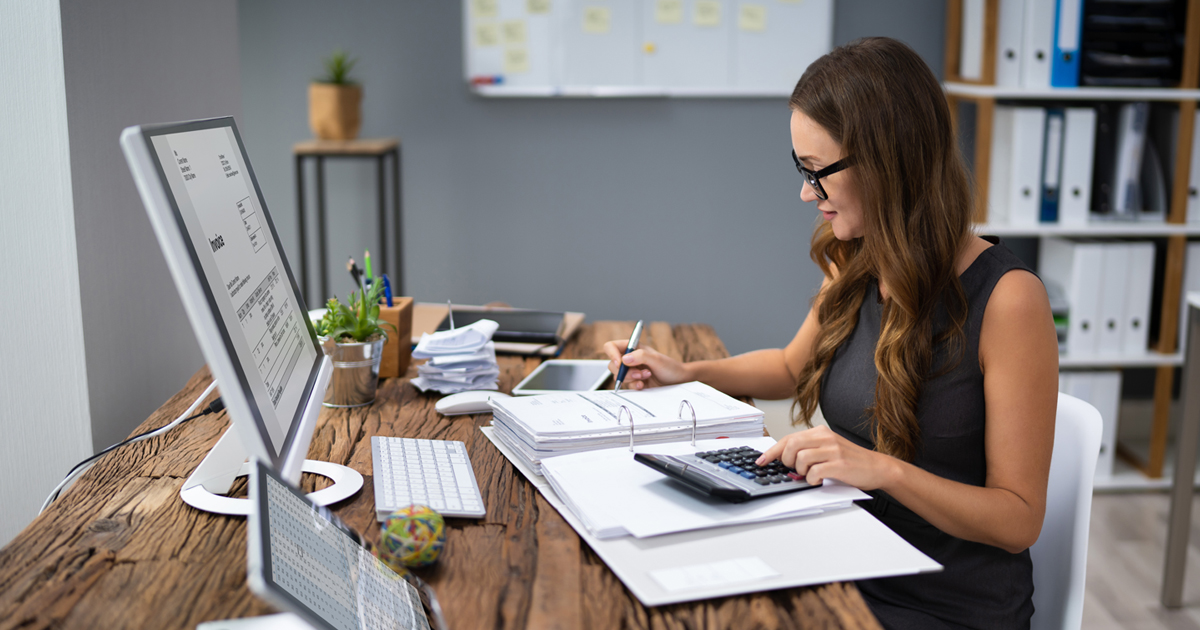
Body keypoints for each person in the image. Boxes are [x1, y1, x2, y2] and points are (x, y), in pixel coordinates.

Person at [602, 37, 1058, 629]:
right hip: (845, 559)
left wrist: (882, 469)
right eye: (801, 169)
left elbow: (1018, 518)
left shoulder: (1009, 300)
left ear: (890, 163)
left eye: (817, 172)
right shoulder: (857, 259)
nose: (804, 192)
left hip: (943, 606)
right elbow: (793, 366)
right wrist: (687, 372)